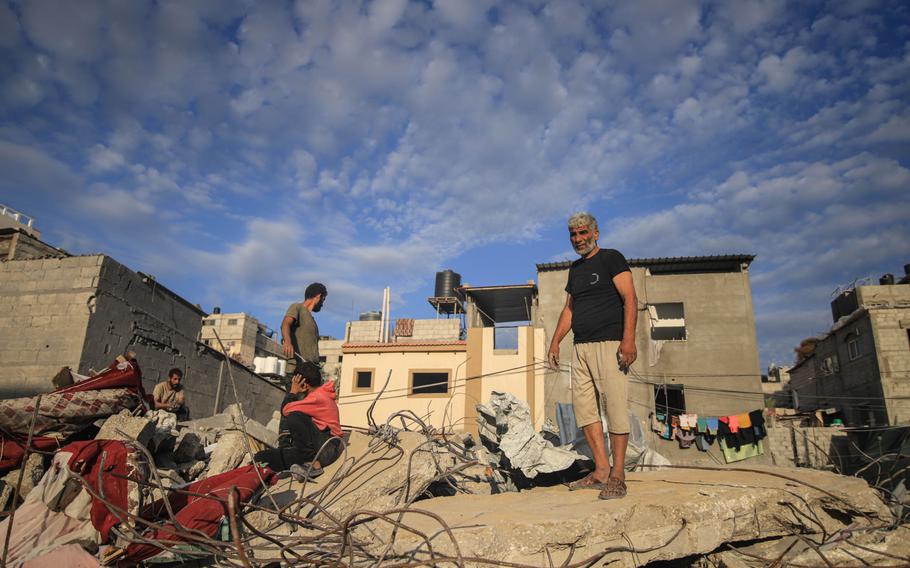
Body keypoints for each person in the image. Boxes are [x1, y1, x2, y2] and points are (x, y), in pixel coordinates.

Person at [547, 211, 638, 500]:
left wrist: (628, 340)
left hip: (610, 345)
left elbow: (630, 299)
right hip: (581, 349)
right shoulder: (575, 270)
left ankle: (618, 475)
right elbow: (569, 310)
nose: (578, 239)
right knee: (585, 411)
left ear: (595, 233)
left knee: (615, 411)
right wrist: (555, 342)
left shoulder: (612, 258)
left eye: (583, 233)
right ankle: (600, 471)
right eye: (573, 235)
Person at [254, 361, 342, 477]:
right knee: (262, 458)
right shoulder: (318, 396)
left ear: (304, 385)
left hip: (327, 448)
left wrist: (293, 392)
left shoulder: (318, 397)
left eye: (296, 383)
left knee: (294, 416)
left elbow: (286, 409)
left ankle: (313, 465)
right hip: (318, 448)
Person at [281, 283, 327, 377]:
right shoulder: (297, 307)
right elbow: (285, 324)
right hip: (297, 371)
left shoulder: (312, 320)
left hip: (310, 371)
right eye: (323, 299)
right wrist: (288, 342)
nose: (323, 304)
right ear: (318, 296)